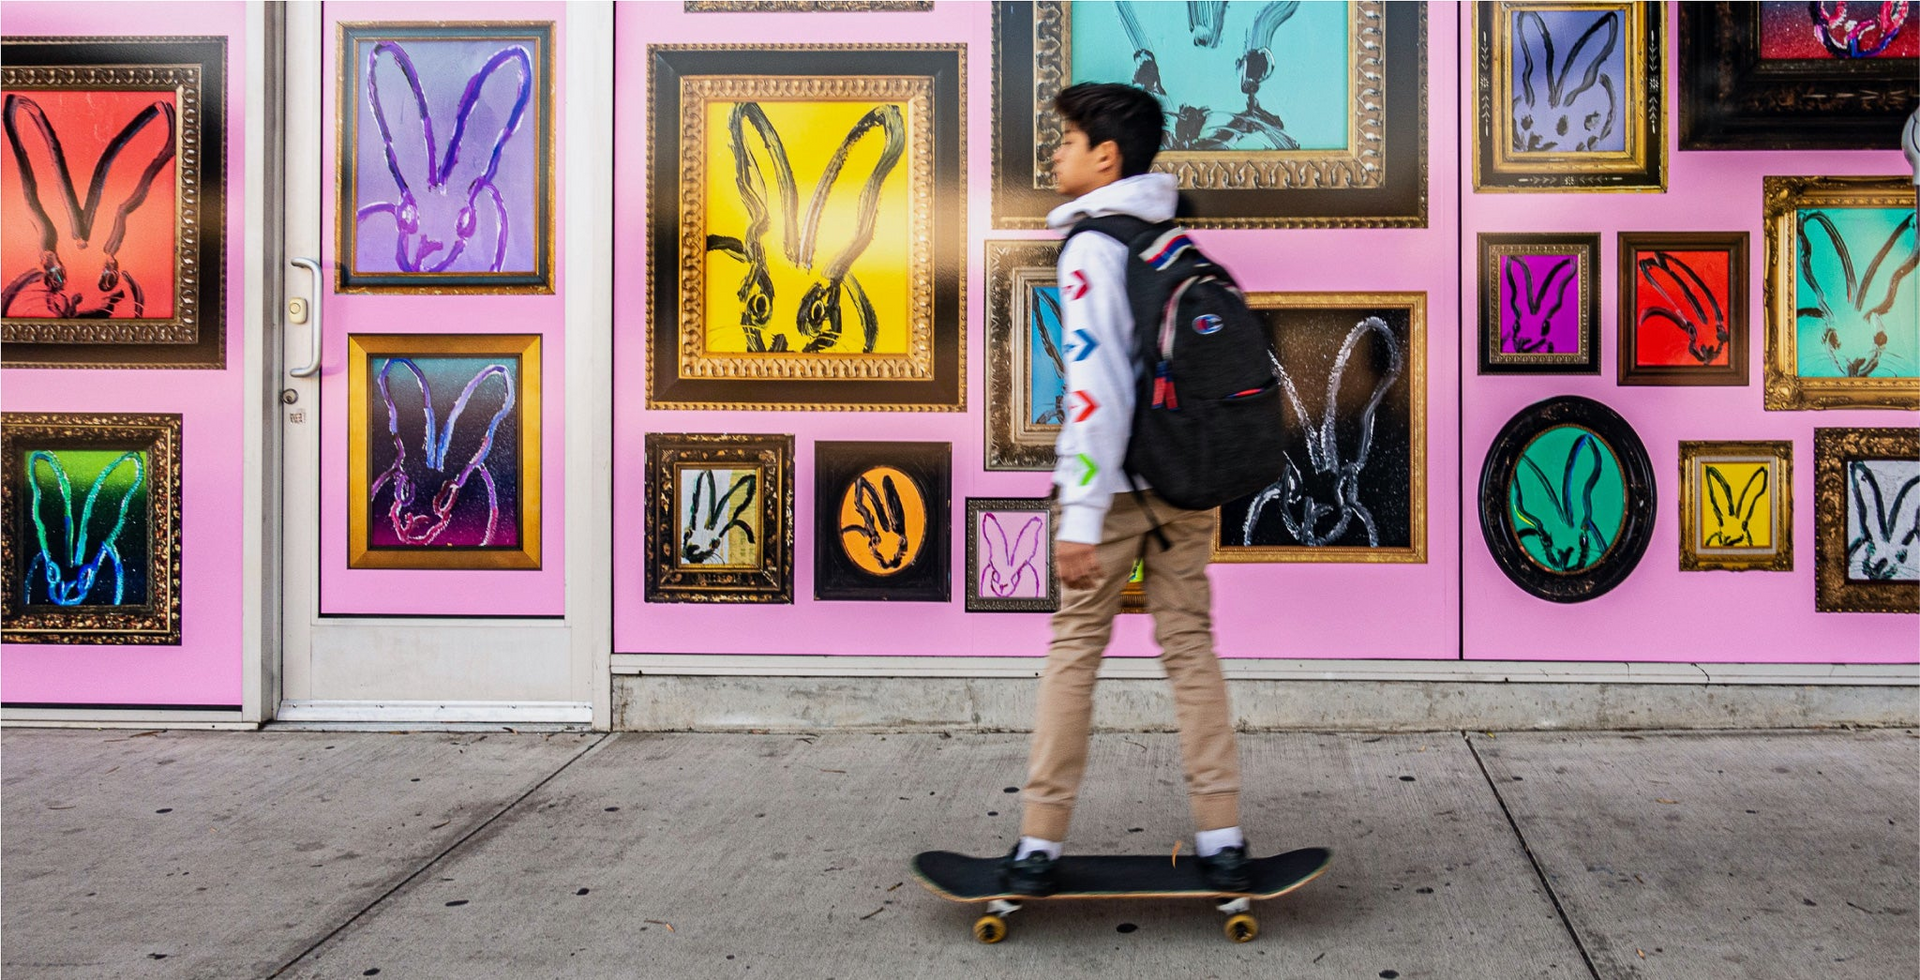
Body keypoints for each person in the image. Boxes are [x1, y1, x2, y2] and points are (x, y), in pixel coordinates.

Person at [1003, 82, 1250, 896]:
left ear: (1105, 157)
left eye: (1067, 141)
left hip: (1111, 494)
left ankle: (1038, 844)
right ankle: (1222, 836)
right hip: (1185, 481)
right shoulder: (1170, 242)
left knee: (1076, 649)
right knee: (1190, 647)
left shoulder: (1090, 249)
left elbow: (1094, 392)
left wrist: (1079, 516)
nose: (1055, 155)